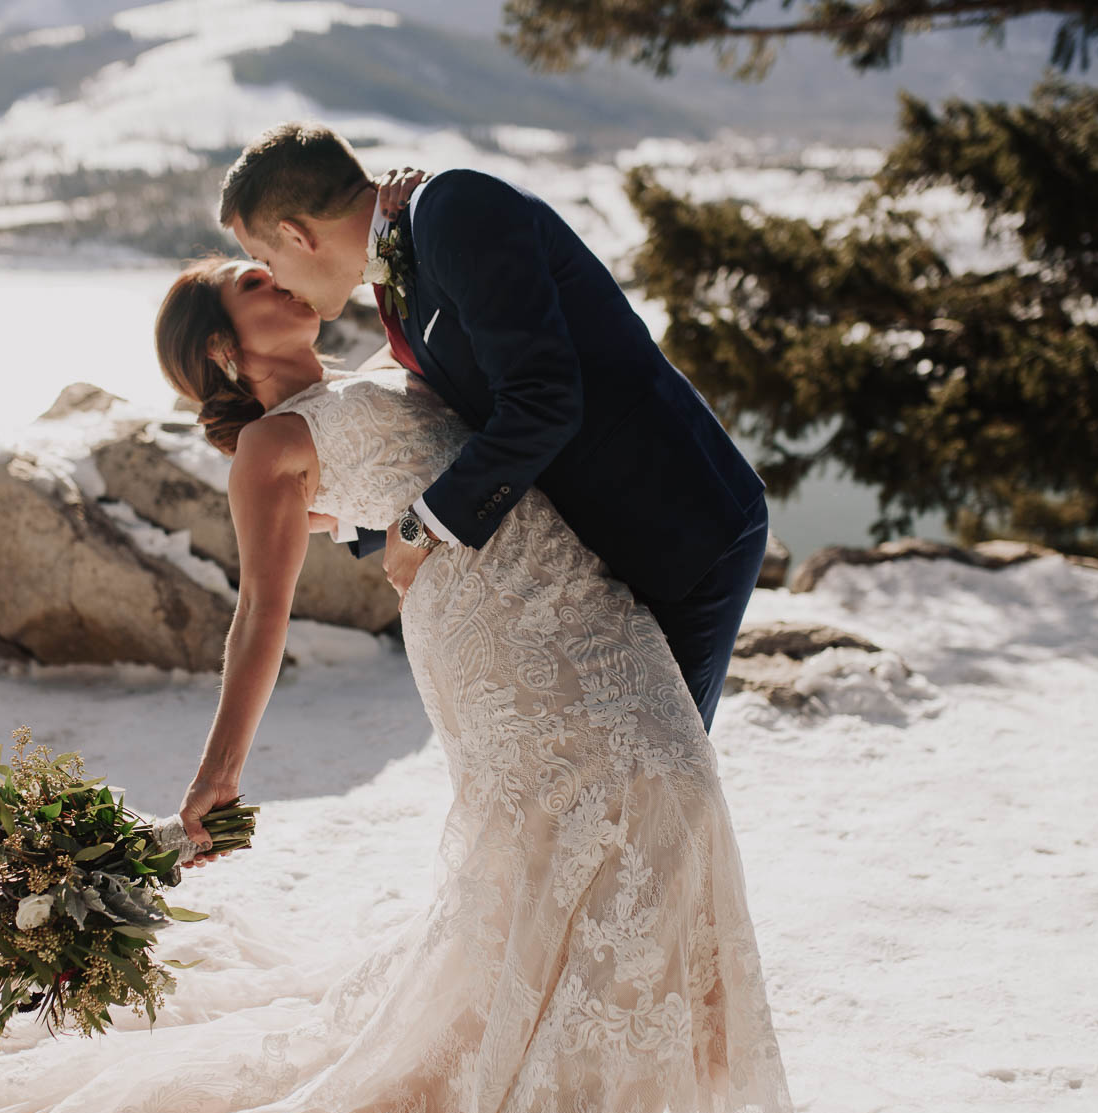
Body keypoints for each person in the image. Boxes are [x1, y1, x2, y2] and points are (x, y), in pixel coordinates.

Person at [160, 249, 795, 1113]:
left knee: (675, 799)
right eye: (254, 283)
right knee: (570, 840)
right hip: (491, 637)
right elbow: (260, 617)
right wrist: (217, 778)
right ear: (221, 353)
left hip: (577, 591)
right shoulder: (269, 446)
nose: (282, 278)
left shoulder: (378, 367)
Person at [219, 122, 773, 737]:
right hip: (608, 549)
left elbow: (542, 402)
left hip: (678, 529)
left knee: (660, 778)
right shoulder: (402, 261)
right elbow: (453, 416)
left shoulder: (455, 211)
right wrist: (353, 513)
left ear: (297, 235)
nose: (279, 279)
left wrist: (422, 527)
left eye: (268, 260)